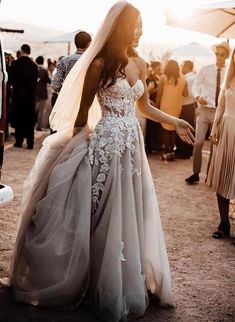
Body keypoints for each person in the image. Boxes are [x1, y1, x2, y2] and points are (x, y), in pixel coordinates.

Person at [8, 2, 195, 321]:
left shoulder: (141, 61)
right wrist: (76, 153)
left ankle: (121, 279)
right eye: (135, 24)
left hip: (131, 146)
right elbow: (82, 116)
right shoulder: (99, 63)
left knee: (127, 213)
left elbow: (145, 107)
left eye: (142, 24)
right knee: (98, 214)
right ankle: (88, 281)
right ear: (120, 26)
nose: (140, 29)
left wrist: (175, 121)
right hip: (103, 146)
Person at [185, 42, 230, 184]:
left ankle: (210, 175)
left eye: (222, 55)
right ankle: (195, 173)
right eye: (217, 54)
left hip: (220, 112)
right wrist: (198, 97)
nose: (219, 57)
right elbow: (195, 86)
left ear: (227, 56)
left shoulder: (230, 72)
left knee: (214, 145)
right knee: (198, 142)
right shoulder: (205, 70)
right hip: (204, 111)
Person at [206, 48, 235, 241]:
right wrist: (215, 127)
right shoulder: (228, 79)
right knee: (222, 174)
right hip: (225, 128)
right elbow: (221, 106)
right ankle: (224, 223)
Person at [156, 60, 188, 161]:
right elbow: (186, 94)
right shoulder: (183, 79)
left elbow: (159, 94)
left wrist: (156, 106)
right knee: (173, 128)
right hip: (176, 106)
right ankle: (172, 153)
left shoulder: (163, 78)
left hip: (165, 106)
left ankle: (166, 153)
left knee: (165, 130)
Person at [9, 44, 38, 149]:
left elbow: (10, 80)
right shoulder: (34, 66)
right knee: (29, 120)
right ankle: (30, 142)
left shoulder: (15, 64)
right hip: (30, 97)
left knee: (19, 119)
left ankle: (19, 141)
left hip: (18, 96)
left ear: (21, 51)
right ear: (29, 52)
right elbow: (35, 82)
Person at [51, 31, 91, 105]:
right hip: (86, 102)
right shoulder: (91, 61)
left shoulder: (64, 60)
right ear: (89, 44)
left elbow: (55, 85)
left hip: (67, 101)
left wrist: (67, 89)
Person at [175, 60, 196, 159]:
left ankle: (184, 152)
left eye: (182, 66)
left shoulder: (188, 79)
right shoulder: (192, 77)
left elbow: (190, 94)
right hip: (190, 105)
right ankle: (186, 151)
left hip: (186, 105)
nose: (181, 68)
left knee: (184, 128)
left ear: (187, 67)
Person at [145, 61, 163, 153]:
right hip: (151, 104)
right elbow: (146, 93)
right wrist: (157, 89)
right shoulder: (149, 79)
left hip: (156, 105)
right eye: (158, 69)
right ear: (154, 69)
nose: (160, 70)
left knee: (155, 126)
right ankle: (150, 146)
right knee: (151, 127)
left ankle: (156, 145)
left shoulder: (157, 78)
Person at [35, 56, 51, 131]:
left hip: (34, 92)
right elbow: (48, 81)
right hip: (43, 93)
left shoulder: (34, 69)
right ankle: (39, 126)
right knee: (41, 110)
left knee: (33, 109)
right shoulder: (44, 71)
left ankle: (30, 125)